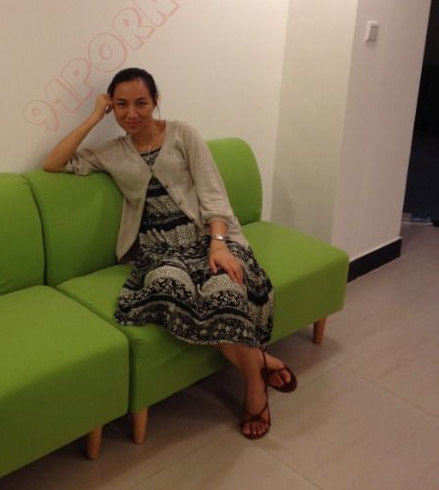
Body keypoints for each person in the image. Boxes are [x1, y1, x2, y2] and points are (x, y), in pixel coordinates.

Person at [42, 67, 296, 439]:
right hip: (159, 250)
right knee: (168, 287)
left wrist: (218, 244)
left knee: (225, 291)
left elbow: (213, 194)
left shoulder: (183, 134)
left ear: (155, 101)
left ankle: (254, 388)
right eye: (121, 105)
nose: (131, 113)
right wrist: (94, 117)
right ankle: (260, 360)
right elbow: (54, 163)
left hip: (207, 236)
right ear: (112, 106)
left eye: (141, 103)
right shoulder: (111, 152)